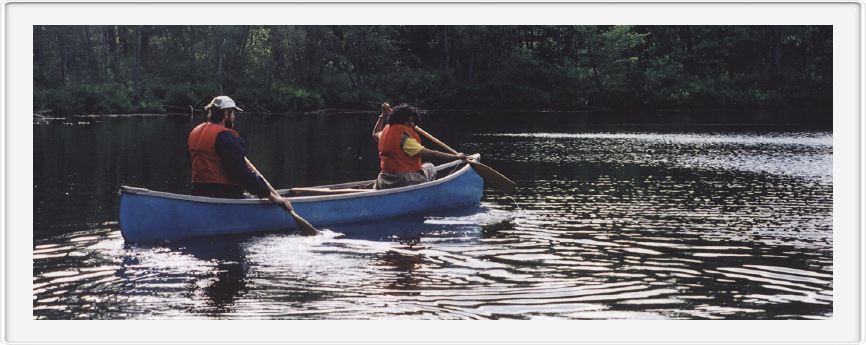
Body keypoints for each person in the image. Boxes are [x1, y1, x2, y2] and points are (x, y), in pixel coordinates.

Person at [188, 95, 293, 210]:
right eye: (233, 113)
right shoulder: (226, 137)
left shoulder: (195, 132)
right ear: (226, 114)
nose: (234, 117)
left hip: (198, 191)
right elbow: (242, 174)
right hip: (223, 194)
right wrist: (272, 197)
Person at [371, 102, 467, 189]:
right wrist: (456, 156)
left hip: (384, 180)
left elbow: (375, 133)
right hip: (402, 180)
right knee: (430, 167)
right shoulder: (406, 140)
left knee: (424, 166)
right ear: (400, 120)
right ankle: (427, 192)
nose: (412, 124)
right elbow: (434, 154)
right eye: (408, 121)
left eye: (413, 121)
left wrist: (382, 117)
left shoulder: (385, 133)